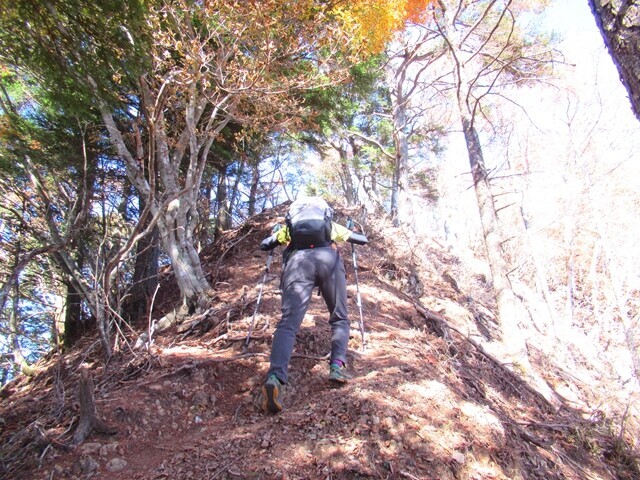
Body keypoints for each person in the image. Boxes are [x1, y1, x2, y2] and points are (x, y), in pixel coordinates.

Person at [259, 197, 368, 413]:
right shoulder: (329, 225)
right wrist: (349, 230)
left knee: (288, 324)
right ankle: (337, 365)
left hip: (298, 264)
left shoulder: (290, 229)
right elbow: (361, 240)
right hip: (329, 261)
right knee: (339, 318)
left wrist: (277, 232)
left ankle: (275, 377)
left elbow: (265, 245)